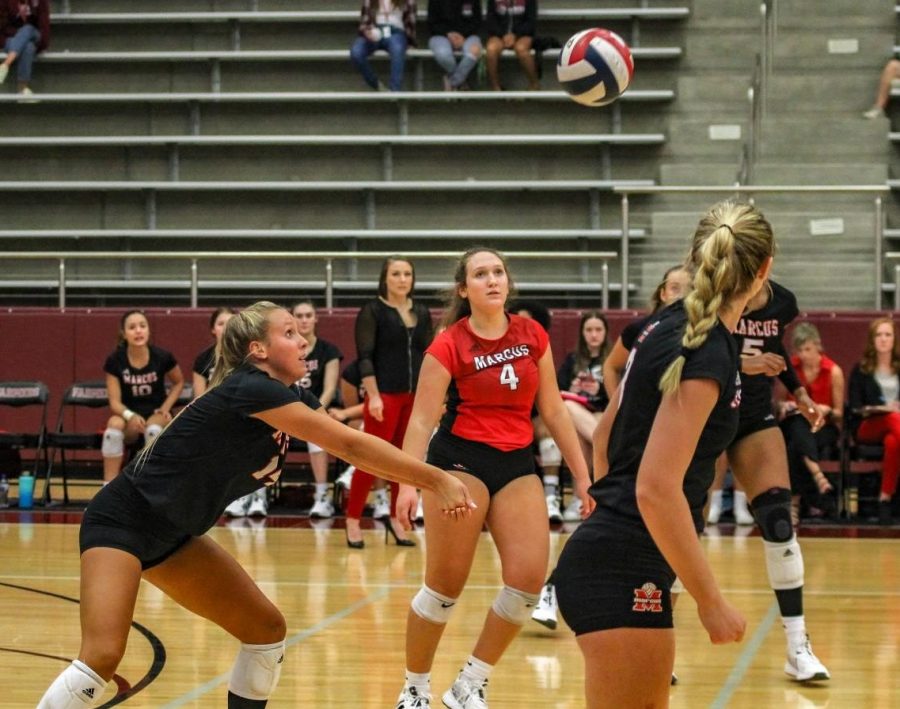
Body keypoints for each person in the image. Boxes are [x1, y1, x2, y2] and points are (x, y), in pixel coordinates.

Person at [36, 301, 475, 709]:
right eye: (289, 333)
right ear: (258, 349)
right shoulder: (250, 388)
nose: (303, 339)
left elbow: (348, 440)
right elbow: (350, 446)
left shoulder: (292, 399)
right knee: (102, 657)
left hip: (174, 537)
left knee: (265, 631)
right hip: (122, 522)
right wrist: (437, 479)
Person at [553, 200, 775, 708]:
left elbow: (606, 436)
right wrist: (710, 600)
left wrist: (609, 514)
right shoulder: (707, 349)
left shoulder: (667, 323)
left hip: (619, 555)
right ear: (764, 270)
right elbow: (655, 487)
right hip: (620, 567)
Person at [393, 247, 593, 709]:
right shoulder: (448, 343)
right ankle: (414, 688)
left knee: (526, 583)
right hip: (458, 463)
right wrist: (407, 484)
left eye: (498, 272)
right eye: (480, 274)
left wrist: (583, 476)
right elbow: (421, 422)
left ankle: (469, 683)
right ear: (465, 289)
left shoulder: (532, 335)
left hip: (516, 462)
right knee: (445, 586)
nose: (492, 280)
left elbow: (555, 410)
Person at [720, 279, 831, 681]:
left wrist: (799, 393)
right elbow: (684, 354)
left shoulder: (782, 302)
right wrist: (741, 365)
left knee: (779, 520)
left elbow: (773, 349)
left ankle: (797, 647)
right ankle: (662, 643)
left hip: (752, 417)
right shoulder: (711, 294)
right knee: (685, 523)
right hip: (705, 415)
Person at [345, 255, 433, 548]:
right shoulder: (373, 311)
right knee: (371, 459)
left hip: (414, 396)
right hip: (385, 396)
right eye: (396, 273)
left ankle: (398, 519)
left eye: (407, 273)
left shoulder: (421, 311)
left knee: (404, 461)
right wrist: (373, 395)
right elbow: (365, 357)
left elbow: (428, 354)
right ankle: (353, 519)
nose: (402, 279)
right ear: (385, 278)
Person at [101, 310, 184, 484]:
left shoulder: (162, 356)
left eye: (142, 326)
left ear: (148, 330)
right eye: (132, 328)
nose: (138, 331)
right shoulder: (115, 360)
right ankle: (107, 488)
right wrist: (130, 416)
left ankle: (152, 484)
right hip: (129, 416)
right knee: (113, 426)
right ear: (124, 334)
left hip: (155, 413)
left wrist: (166, 407)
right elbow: (114, 402)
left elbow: (179, 382)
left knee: (153, 429)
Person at [778, 322, 843, 525]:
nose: (803, 355)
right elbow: (779, 402)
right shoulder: (790, 368)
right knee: (798, 423)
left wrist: (827, 409)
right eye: (799, 350)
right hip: (794, 423)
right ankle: (817, 475)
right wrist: (785, 405)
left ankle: (794, 504)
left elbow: (840, 413)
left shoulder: (833, 371)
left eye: (807, 349)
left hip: (824, 427)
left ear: (817, 346)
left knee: (794, 447)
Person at [602, 264, 692, 399]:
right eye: (674, 288)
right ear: (663, 294)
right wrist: (617, 409)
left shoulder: (702, 330)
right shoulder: (639, 329)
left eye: (689, 289)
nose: (681, 296)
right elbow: (611, 367)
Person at [292, 300, 343, 519]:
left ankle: (322, 496)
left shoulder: (328, 350)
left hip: (317, 412)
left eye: (308, 315)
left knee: (315, 433)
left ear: (315, 318)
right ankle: (255, 495)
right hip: (289, 411)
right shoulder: (287, 349)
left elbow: (331, 388)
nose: (304, 320)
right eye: (299, 315)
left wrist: (314, 411)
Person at [848, 317, 900, 525]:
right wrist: (883, 409)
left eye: (888, 335)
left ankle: (884, 499)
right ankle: (886, 499)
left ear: (895, 339)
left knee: (893, 442)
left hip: (895, 429)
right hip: (867, 426)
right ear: (872, 340)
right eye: (879, 335)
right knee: (894, 419)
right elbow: (856, 407)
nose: (883, 339)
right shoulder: (860, 370)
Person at [350, 0, 417, 92]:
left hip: (396, 32)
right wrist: (367, 32)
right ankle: (376, 84)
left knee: (397, 49)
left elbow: (410, 23)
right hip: (375, 30)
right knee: (356, 52)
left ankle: (395, 90)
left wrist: (410, 41)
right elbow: (364, 22)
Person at [427, 0, 483, 91]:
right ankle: (462, 81)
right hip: (440, 35)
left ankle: (453, 81)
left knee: (474, 51)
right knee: (443, 55)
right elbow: (432, 23)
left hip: (467, 36)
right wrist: (448, 34)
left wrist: (462, 36)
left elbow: (477, 21)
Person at [484, 0, 539, 91]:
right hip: (500, 34)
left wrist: (516, 35)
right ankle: (496, 87)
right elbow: (490, 19)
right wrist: (503, 35)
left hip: (523, 34)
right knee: (491, 49)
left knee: (521, 49)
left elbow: (531, 21)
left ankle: (534, 83)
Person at [0, 0, 50, 99]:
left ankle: (6, 64)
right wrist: (18, 36)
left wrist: (41, 45)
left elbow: (44, 24)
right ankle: (22, 88)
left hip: (34, 34)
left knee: (28, 28)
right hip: (12, 38)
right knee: (28, 47)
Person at [192, 307, 235, 398]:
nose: (226, 327)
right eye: (221, 324)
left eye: (231, 323)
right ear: (213, 329)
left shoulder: (248, 356)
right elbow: (198, 400)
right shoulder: (203, 359)